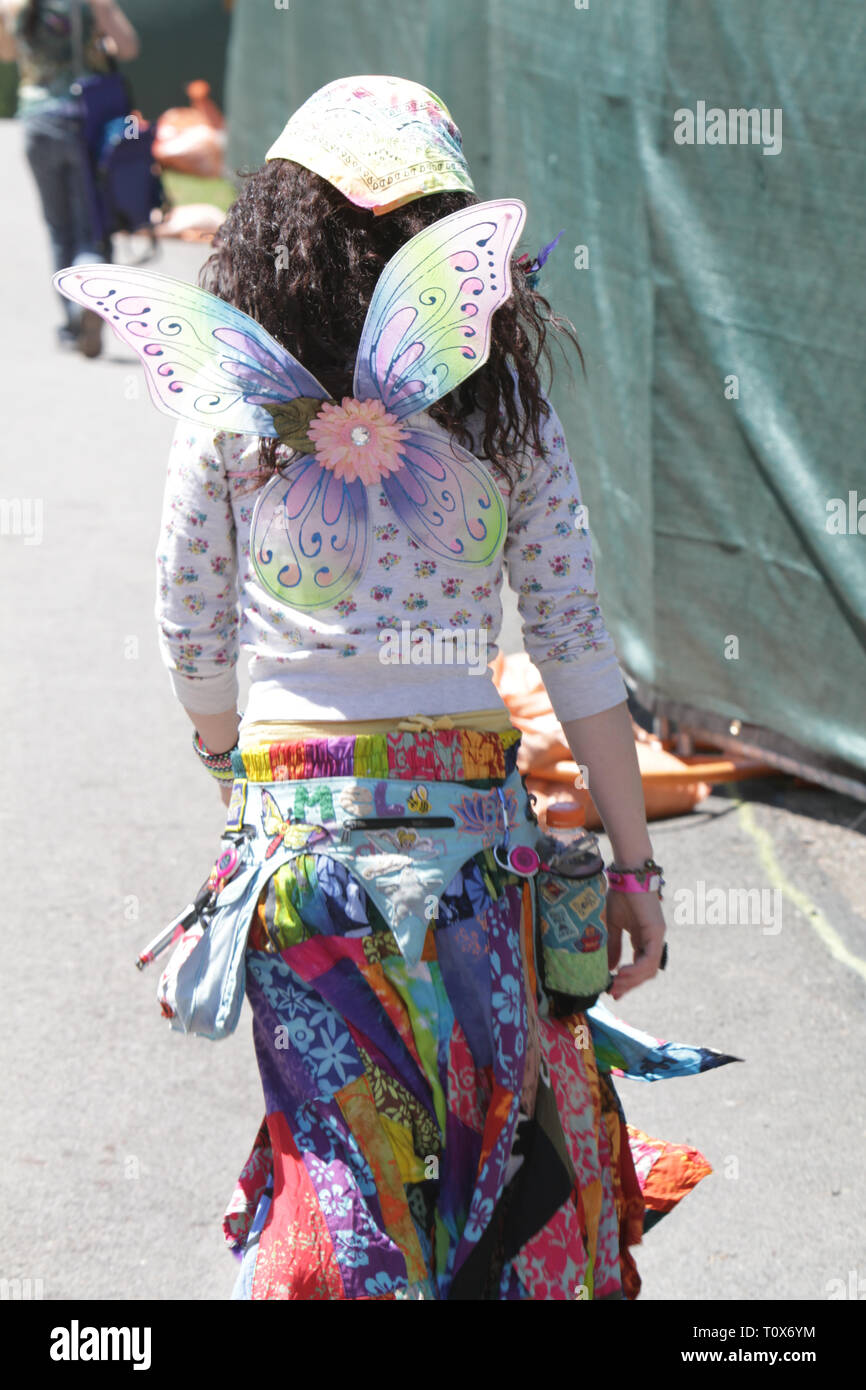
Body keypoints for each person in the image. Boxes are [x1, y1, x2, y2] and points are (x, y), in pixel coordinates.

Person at [141, 76, 732, 1300]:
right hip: (476, 861)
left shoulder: (232, 404)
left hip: (298, 854)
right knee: (492, 1178)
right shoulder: (501, 403)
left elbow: (190, 628)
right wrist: (630, 867)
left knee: (348, 1174)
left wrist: (227, 771)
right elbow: (571, 637)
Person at [0, 0, 138, 354]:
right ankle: (88, 303)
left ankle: (72, 324)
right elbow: (128, 47)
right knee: (91, 225)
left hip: (36, 123)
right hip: (83, 121)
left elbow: (7, 52)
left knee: (58, 227)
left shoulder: (13, 6)